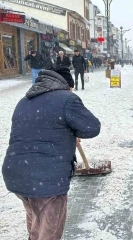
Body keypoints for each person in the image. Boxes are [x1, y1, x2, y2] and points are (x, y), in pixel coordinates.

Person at [2, 67, 101, 240]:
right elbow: (92, 127)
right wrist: (72, 131)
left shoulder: (24, 101)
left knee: (35, 225)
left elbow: (33, 131)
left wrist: (66, 131)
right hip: (47, 179)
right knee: (49, 233)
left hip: (17, 173)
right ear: (67, 85)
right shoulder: (67, 99)